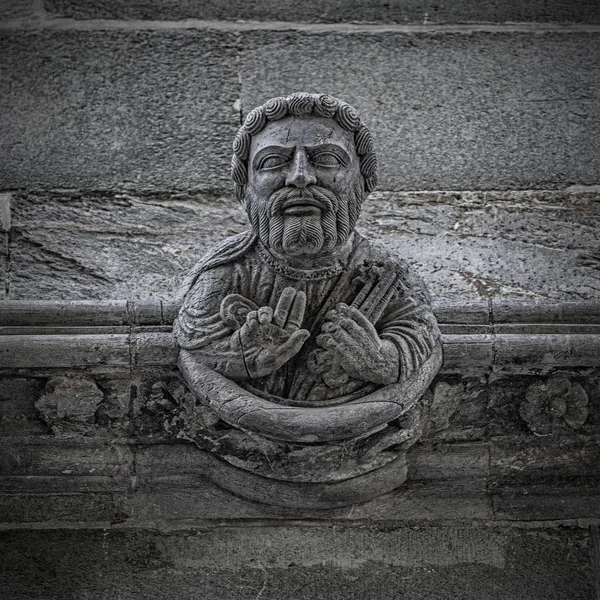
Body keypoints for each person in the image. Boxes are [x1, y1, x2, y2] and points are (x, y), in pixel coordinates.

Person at [174, 92, 440, 406]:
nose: (300, 176)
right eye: (273, 162)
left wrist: (380, 358)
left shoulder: (387, 274)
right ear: (245, 188)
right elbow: (196, 337)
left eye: (327, 159)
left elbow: (418, 331)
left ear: (362, 183)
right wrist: (243, 355)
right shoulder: (226, 271)